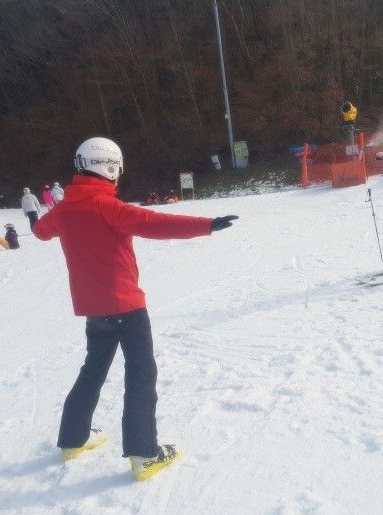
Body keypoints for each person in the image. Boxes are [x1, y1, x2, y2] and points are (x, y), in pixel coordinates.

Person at [33, 137, 238, 481]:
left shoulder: (65, 209)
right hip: (127, 307)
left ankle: (72, 440)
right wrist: (206, 225)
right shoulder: (107, 207)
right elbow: (155, 224)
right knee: (141, 376)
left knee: (92, 370)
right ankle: (144, 454)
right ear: (109, 168)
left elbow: (40, 231)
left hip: (94, 311)